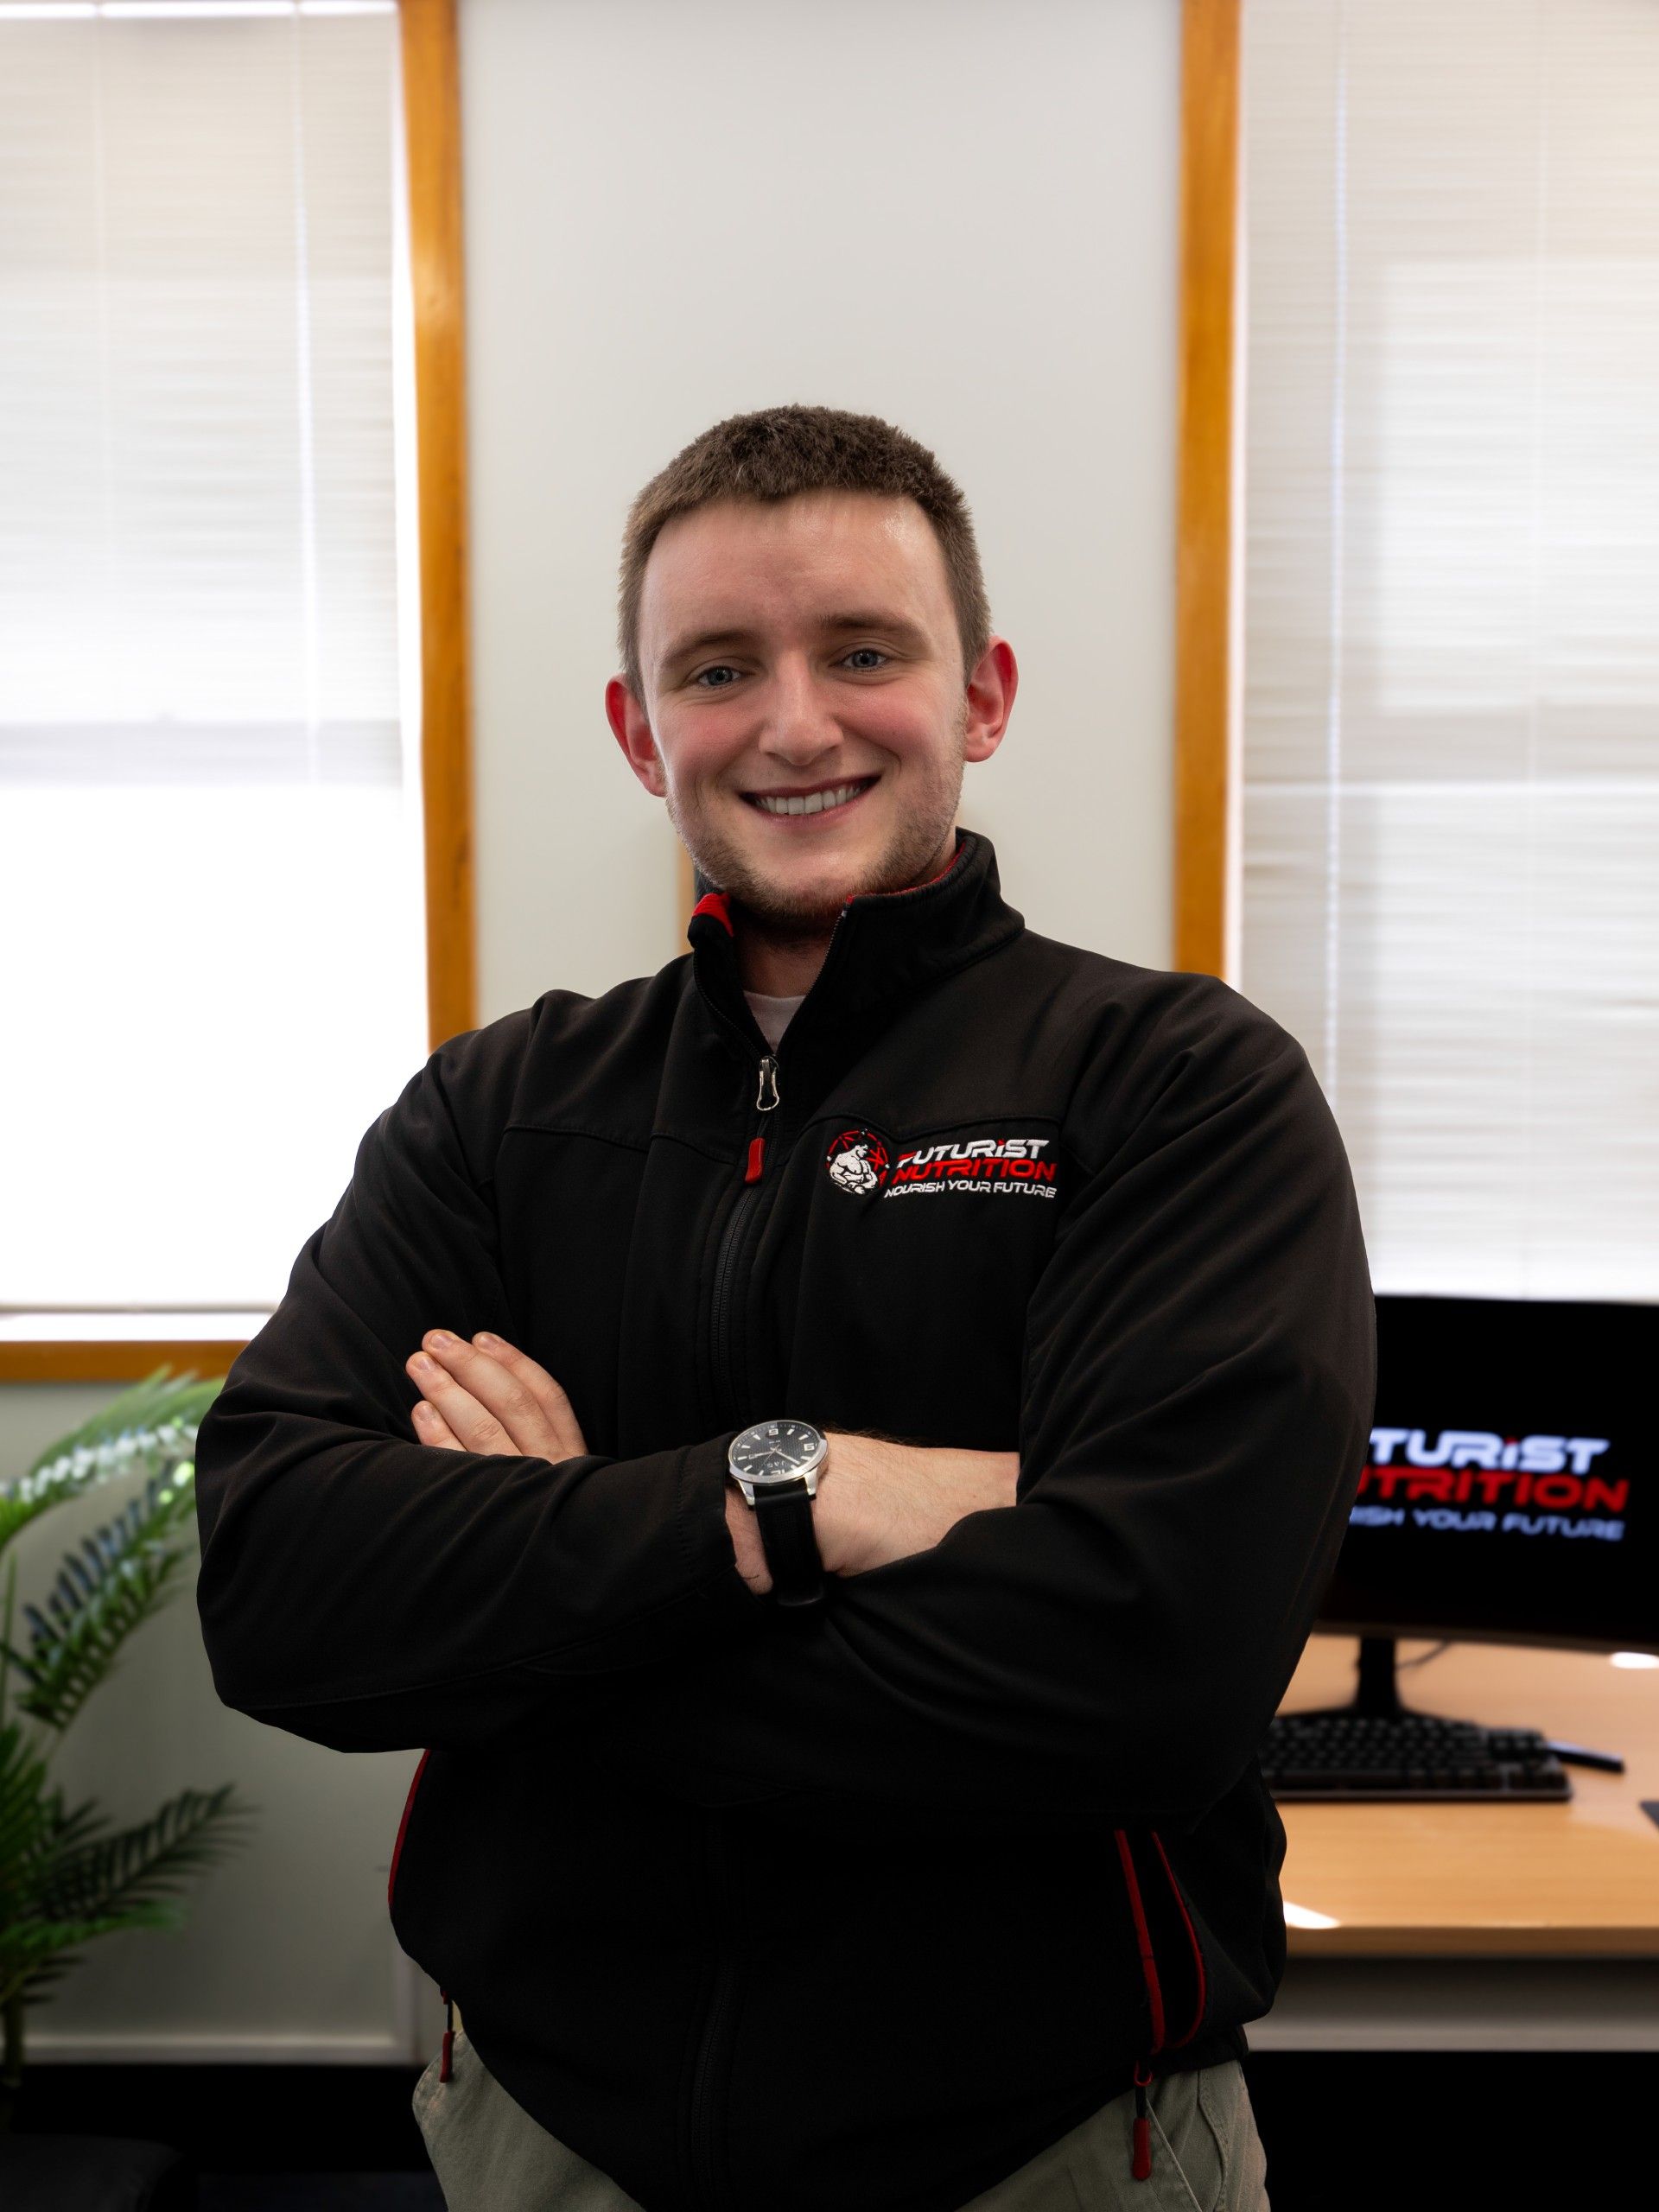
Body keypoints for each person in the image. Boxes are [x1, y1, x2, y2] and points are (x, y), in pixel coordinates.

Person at [193, 404, 1376, 2212]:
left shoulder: (1175, 1089)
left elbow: (1152, 1674)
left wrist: (546, 1599)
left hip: (1052, 2146)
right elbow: (280, 1587)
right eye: (721, 668)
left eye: (865, 652)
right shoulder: (500, 1115)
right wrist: (802, 1488)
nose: (797, 723)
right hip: (546, 2134)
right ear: (638, 728)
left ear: (982, 695)